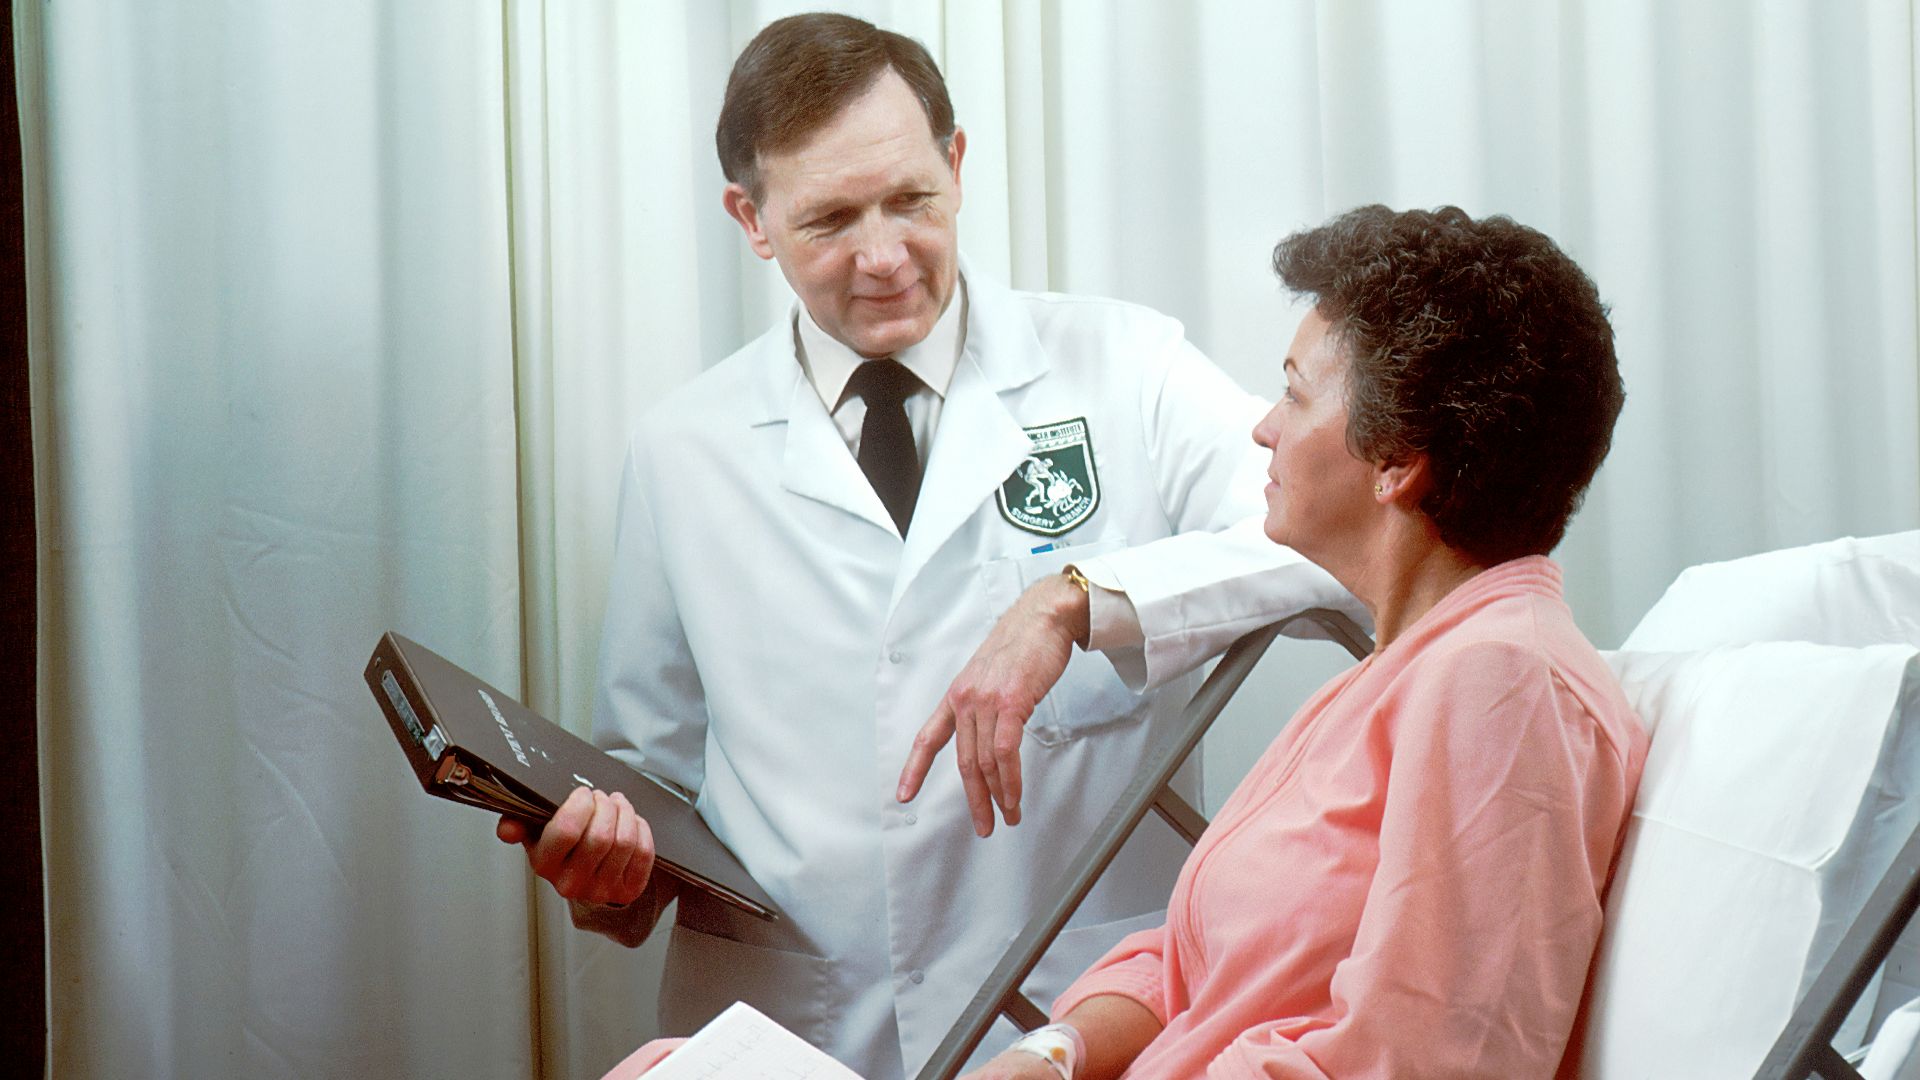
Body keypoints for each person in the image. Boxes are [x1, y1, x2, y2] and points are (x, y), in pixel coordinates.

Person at [494, 13, 1356, 1080]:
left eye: (911, 200)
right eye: (829, 221)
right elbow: (651, 781)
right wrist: (611, 877)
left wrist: (1076, 597)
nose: (885, 256)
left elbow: (1342, 542)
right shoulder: (683, 451)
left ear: (956, 162)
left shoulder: (1124, 365)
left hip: (1076, 1018)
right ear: (750, 220)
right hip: (795, 1028)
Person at [962, 205, 1649, 1079]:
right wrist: (1055, 1053)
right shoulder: (1396, 673)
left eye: (1292, 392)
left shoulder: (1505, 683)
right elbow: (1195, 967)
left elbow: (1427, 1061)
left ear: (1397, 459)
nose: (1263, 428)